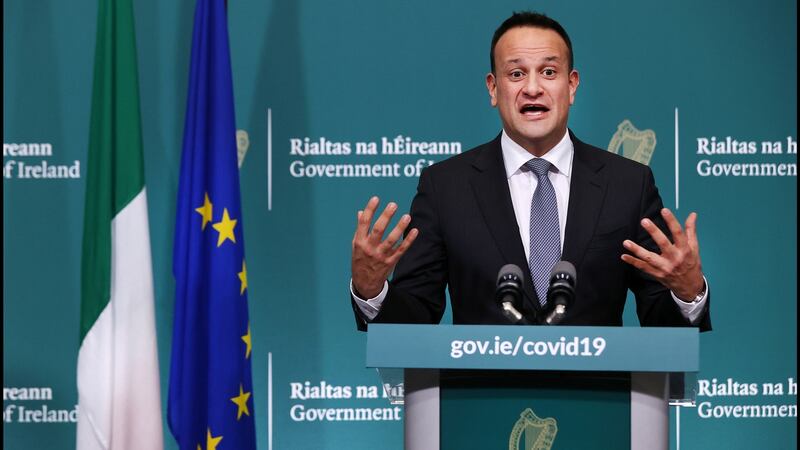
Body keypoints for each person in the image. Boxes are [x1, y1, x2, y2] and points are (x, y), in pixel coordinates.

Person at [350, 11, 710, 330]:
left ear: (571, 86)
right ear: (494, 88)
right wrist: (372, 291)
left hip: (598, 401)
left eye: (549, 72)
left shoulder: (628, 184)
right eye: (517, 73)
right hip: (481, 401)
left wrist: (688, 292)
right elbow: (413, 321)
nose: (533, 88)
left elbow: (664, 328)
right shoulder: (446, 187)